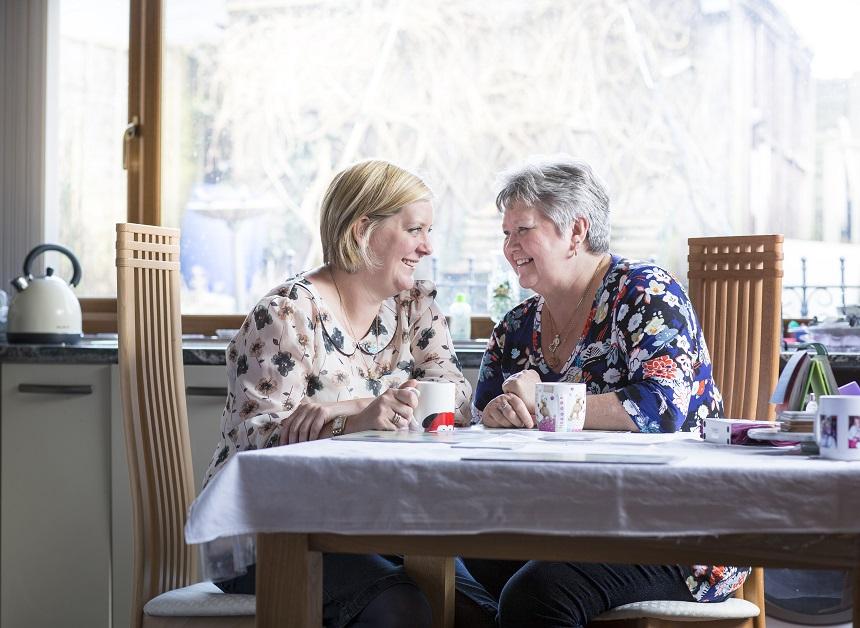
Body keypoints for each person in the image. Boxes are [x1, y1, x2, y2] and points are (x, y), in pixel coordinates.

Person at [204, 159, 496, 628]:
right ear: (363, 230)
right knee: (401, 608)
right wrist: (354, 417)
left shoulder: (413, 307)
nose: (428, 246)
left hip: (380, 520)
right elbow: (253, 443)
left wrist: (352, 407)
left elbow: (459, 400)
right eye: (415, 229)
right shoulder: (287, 314)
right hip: (266, 530)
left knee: (481, 612)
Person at [467, 156, 748, 627]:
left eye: (523, 230)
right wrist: (498, 412)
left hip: (673, 528)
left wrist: (543, 400)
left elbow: (662, 409)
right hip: (557, 523)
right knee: (437, 565)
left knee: (535, 596)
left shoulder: (645, 292)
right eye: (505, 233)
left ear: (576, 231)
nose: (509, 246)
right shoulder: (515, 327)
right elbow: (481, 420)